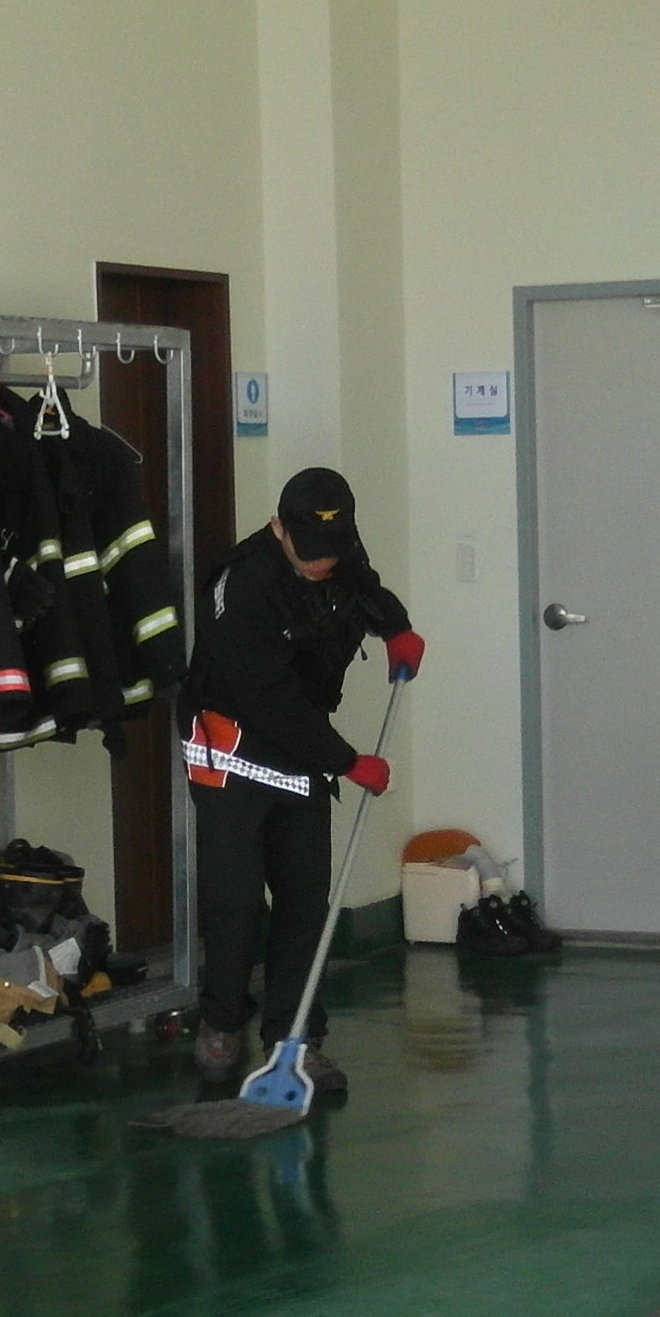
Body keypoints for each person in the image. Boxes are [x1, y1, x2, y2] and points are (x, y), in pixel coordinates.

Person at [181, 465, 420, 1099]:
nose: (321, 564)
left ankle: (296, 1039)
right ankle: (221, 1024)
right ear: (277, 529)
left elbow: (362, 587)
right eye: (308, 551)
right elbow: (267, 698)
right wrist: (347, 761)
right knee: (235, 901)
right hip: (231, 745)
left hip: (303, 747)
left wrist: (395, 627)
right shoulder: (241, 586)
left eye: (331, 551)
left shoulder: (339, 552)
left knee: (305, 897)